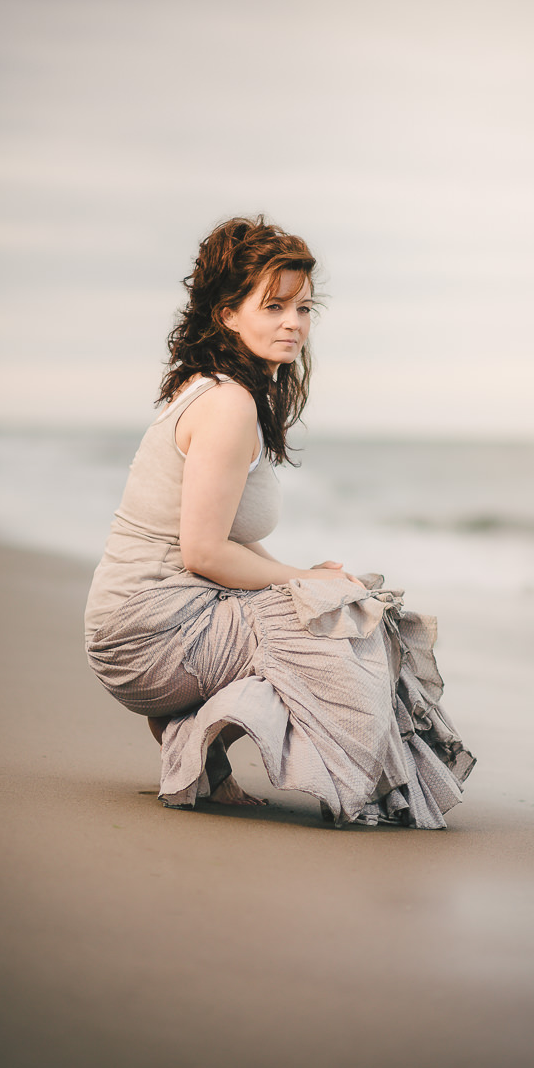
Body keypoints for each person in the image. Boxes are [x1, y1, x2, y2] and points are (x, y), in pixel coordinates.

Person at [85, 216, 475, 827]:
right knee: (346, 621)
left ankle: (202, 752)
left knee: (339, 599)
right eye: (273, 306)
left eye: (303, 306)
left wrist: (301, 576)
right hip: (150, 632)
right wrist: (305, 584)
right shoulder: (227, 404)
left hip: (146, 624)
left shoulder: (217, 390)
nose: (293, 322)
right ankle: (370, 791)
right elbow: (204, 554)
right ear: (227, 314)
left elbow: (230, 537)